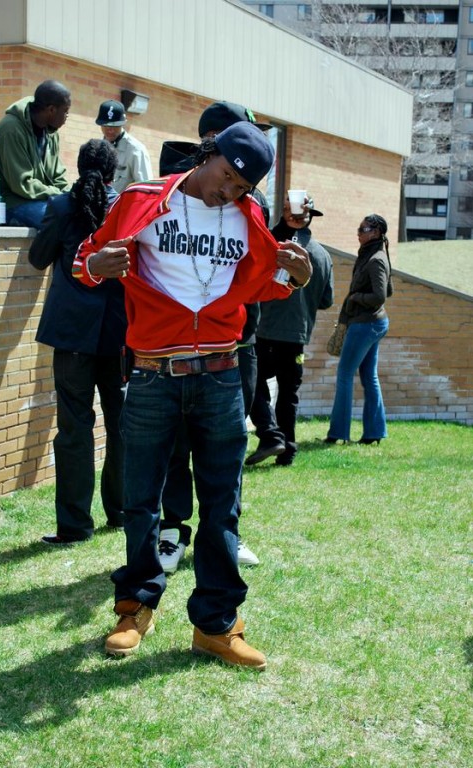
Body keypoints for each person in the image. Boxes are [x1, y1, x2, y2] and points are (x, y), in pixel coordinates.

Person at [72, 121, 313, 669]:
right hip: (152, 374)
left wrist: (294, 279)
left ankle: (216, 624)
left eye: (241, 187)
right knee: (141, 500)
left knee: (223, 503)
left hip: (222, 375)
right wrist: (96, 266)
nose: (228, 191)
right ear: (209, 154)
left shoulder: (248, 217)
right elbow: (83, 261)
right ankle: (134, 607)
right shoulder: (141, 200)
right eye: (226, 176)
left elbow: (257, 282)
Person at [158, 101, 273, 573]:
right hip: (171, 349)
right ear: (211, 142)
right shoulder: (169, 187)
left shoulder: (250, 199)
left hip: (235, 344)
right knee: (174, 444)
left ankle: (226, 531)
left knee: (227, 447)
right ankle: (171, 530)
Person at [28, 139, 127, 544]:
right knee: (122, 426)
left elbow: (38, 258)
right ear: (113, 172)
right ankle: (121, 512)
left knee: (74, 429)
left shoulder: (61, 206)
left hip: (71, 334)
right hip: (119, 334)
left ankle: (74, 526)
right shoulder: (126, 208)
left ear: (80, 166)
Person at [246, 194, 334, 466]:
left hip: (266, 330)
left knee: (251, 380)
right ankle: (287, 451)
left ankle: (271, 435)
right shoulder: (323, 255)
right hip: (298, 336)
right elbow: (326, 301)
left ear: (286, 213)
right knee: (288, 393)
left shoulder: (273, 246)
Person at [323, 214, 392, 445]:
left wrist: (355, 298)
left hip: (366, 324)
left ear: (376, 232)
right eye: (359, 228)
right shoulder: (371, 255)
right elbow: (388, 290)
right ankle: (374, 433)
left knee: (344, 374)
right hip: (372, 322)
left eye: (363, 229)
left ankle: (338, 433)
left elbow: (381, 296)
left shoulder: (376, 260)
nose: (359, 232)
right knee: (369, 376)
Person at [0, 80, 71, 229]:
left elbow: (58, 177)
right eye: (66, 111)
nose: (67, 116)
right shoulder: (11, 129)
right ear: (51, 110)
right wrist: (59, 194)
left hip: (40, 200)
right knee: (59, 223)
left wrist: (72, 195)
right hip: (8, 204)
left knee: (78, 216)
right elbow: (21, 183)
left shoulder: (51, 133)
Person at [96, 99, 152, 193]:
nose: (109, 130)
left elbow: (145, 189)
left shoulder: (136, 150)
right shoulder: (97, 148)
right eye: (105, 125)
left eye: (114, 125)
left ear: (123, 123)